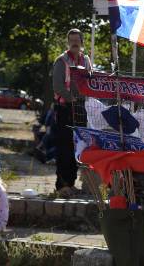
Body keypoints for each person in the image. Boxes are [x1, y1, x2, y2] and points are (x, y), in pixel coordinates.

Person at [52, 28, 92, 196]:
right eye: (72, 40)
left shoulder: (86, 60)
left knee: (78, 147)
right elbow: (58, 86)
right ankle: (62, 185)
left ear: (82, 41)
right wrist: (72, 99)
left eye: (77, 39)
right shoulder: (61, 61)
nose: (75, 42)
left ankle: (71, 182)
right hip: (65, 108)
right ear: (68, 42)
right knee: (64, 147)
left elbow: (91, 81)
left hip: (81, 109)